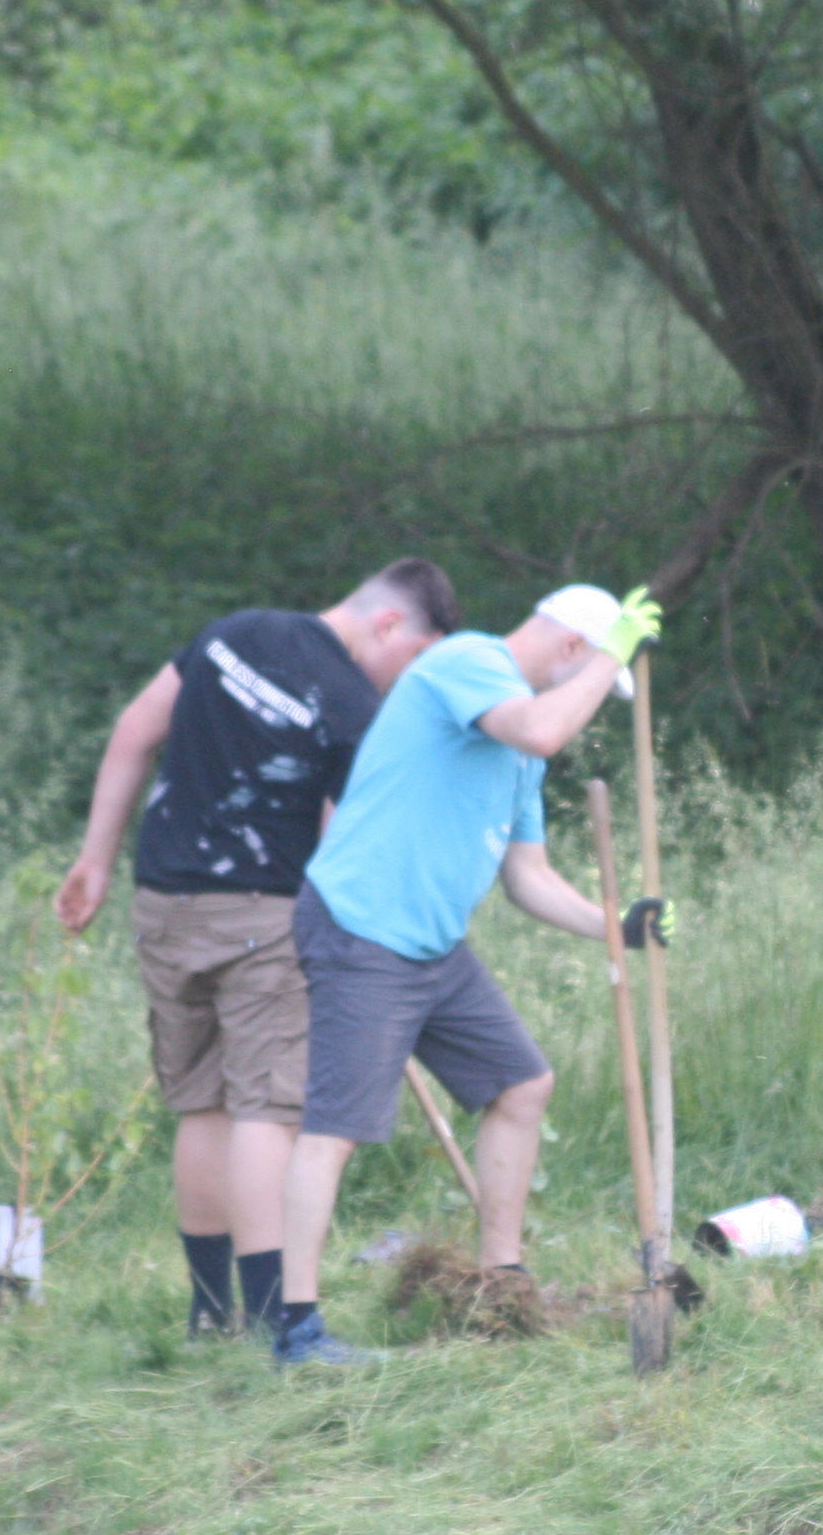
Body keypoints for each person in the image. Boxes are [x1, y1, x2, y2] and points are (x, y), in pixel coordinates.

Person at [263, 580, 663, 1366]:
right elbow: (546, 728)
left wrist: (616, 926)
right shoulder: (467, 662)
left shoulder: (518, 750)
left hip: (432, 945)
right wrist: (619, 649)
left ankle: (500, 1282)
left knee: (521, 1084)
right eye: (586, 673)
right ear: (573, 648)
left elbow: (529, 877)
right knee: (336, 1128)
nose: (580, 696)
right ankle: (297, 1332)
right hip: (363, 925)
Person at [55, 560, 459, 1334]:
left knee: (200, 1107)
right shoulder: (350, 705)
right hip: (262, 915)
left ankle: (212, 1313)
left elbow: (135, 732)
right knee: (266, 1115)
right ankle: (279, 1317)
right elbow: (338, 847)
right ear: (388, 626)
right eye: (412, 658)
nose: (402, 679)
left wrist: (95, 862)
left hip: (161, 901)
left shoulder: (233, 633)